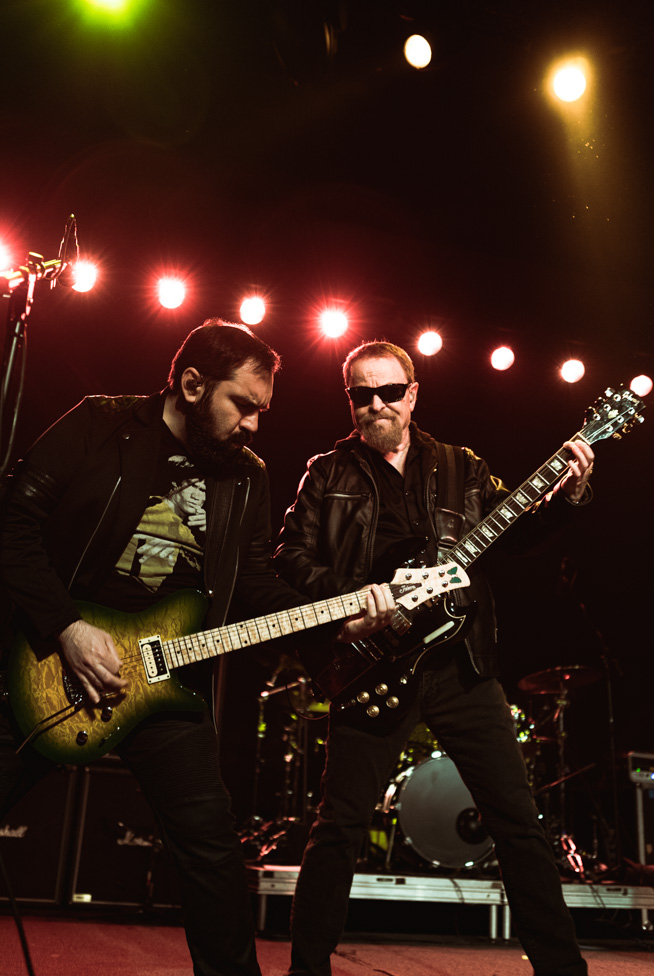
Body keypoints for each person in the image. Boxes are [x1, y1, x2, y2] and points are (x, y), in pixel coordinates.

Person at [0, 320, 391, 976]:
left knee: (212, 850)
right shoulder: (100, 426)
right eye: (242, 405)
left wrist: (343, 614)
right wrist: (65, 627)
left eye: (262, 412)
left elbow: (256, 590)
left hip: (166, 683)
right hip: (49, 661)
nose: (253, 426)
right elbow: (13, 523)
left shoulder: (245, 477)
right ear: (189, 384)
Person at [274, 340, 595, 976]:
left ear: (413, 394)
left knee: (519, 826)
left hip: (463, 668)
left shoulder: (460, 465)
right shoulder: (327, 473)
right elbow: (287, 560)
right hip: (372, 665)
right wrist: (348, 605)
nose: (375, 405)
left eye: (389, 392)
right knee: (337, 829)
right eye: (360, 395)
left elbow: (520, 531)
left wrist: (569, 492)